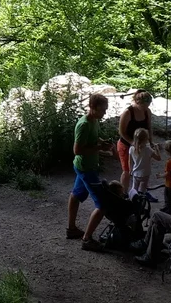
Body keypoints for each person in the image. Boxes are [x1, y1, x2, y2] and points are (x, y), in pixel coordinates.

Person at [68, 93, 112, 252]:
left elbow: (93, 138)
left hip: (85, 166)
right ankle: (87, 240)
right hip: (86, 168)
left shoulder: (94, 121)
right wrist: (100, 148)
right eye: (102, 110)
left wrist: (102, 142)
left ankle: (71, 229)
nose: (104, 113)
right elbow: (77, 150)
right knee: (102, 205)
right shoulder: (84, 124)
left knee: (76, 195)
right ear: (92, 108)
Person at [117, 90, 154, 186]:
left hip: (142, 145)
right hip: (126, 144)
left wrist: (151, 142)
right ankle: (123, 193)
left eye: (148, 105)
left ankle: (143, 190)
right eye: (144, 105)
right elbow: (121, 132)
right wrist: (132, 142)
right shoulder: (128, 113)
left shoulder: (147, 112)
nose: (146, 107)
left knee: (143, 168)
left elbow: (149, 127)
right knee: (127, 170)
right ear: (138, 102)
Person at [127, 127, 159, 201]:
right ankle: (140, 204)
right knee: (142, 191)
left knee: (134, 189)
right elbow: (158, 158)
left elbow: (130, 161)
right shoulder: (148, 150)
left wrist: (130, 170)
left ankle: (131, 201)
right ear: (145, 139)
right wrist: (156, 149)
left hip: (135, 172)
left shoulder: (131, 148)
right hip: (145, 174)